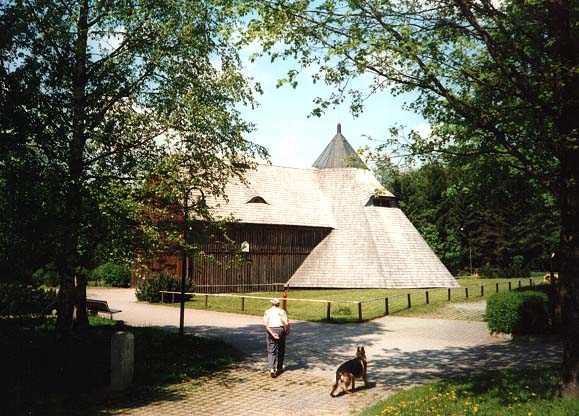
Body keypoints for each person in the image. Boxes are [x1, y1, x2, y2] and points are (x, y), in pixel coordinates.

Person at [263, 298, 290, 378]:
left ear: (272, 304)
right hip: (281, 329)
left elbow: (265, 325)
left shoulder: (267, 312)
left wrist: (271, 333)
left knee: (271, 350)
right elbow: (286, 323)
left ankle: (272, 368)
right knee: (281, 349)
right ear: (279, 304)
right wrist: (288, 330)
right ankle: (279, 367)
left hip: (271, 329)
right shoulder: (282, 311)